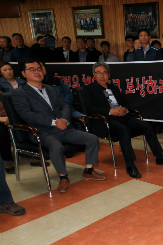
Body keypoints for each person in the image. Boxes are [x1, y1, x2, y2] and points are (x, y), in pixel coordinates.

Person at [12, 58, 107, 193]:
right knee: (56, 146)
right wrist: (53, 122)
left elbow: (64, 105)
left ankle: (89, 171)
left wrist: (63, 119)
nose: (37, 72)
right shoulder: (19, 93)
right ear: (23, 73)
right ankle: (63, 177)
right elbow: (27, 115)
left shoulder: (51, 89)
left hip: (63, 127)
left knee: (92, 138)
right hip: (42, 131)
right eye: (32, 70)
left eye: (39, 68)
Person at [82, 62, 163, 178]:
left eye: (105, 73)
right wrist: (110, 111)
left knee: (146, 126)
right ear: (94, 75)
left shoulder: (114, 88)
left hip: (123, 117)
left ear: (109, 75)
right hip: (105, 120)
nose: (102, 76)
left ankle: (159, 156)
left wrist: (125, 110)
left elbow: (126, 102)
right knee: (124, 130)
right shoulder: (88, 89)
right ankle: (130, 165)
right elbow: (89, 108)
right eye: (99, 73)